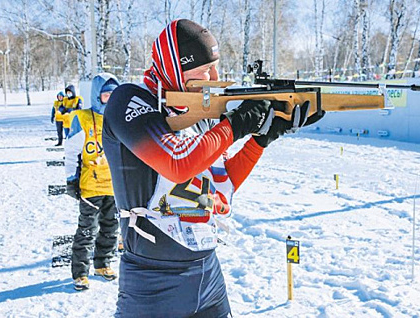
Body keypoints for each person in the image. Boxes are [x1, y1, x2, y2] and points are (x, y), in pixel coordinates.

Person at [103, 19, 324, 317]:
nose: (215, 76)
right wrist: (237, 124)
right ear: (174, 69)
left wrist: (262, 139)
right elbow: (178, 163)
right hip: (152, 283)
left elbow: (218, 186)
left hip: (208, 274)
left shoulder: (200, 113)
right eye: (204, 70)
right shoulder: (129, 100)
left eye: (216, 66)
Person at [65, 73, 120, 291]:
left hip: (114, 187)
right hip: (91, 188)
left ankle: (102, 264)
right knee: (87, 231)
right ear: (97, 96)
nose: (110, 100)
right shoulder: (83, 118)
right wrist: (71, 179)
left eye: (114, 96)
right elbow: (71, 152)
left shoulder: (119, 119)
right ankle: (80, 272)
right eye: (106, 95)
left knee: (110, 229)